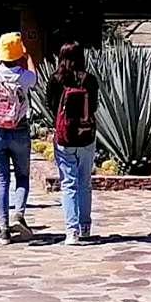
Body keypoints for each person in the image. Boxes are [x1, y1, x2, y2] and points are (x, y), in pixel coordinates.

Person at [0, 32, 38, 244]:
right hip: (19, 129)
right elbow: (34, 78)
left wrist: (2, 58)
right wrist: (28, 57)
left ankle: (3, 228)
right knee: (22, 176)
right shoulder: (24, 76)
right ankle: (19, 215)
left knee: (1, 180)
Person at [47, 42, 100, 245]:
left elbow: (50, 105)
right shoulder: (90, 80)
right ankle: (85, 226)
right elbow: (94, 106)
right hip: (86, 136)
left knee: (68, 183)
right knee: (85, 181)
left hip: (64, 137)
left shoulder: (56, 79)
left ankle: (72, 231)